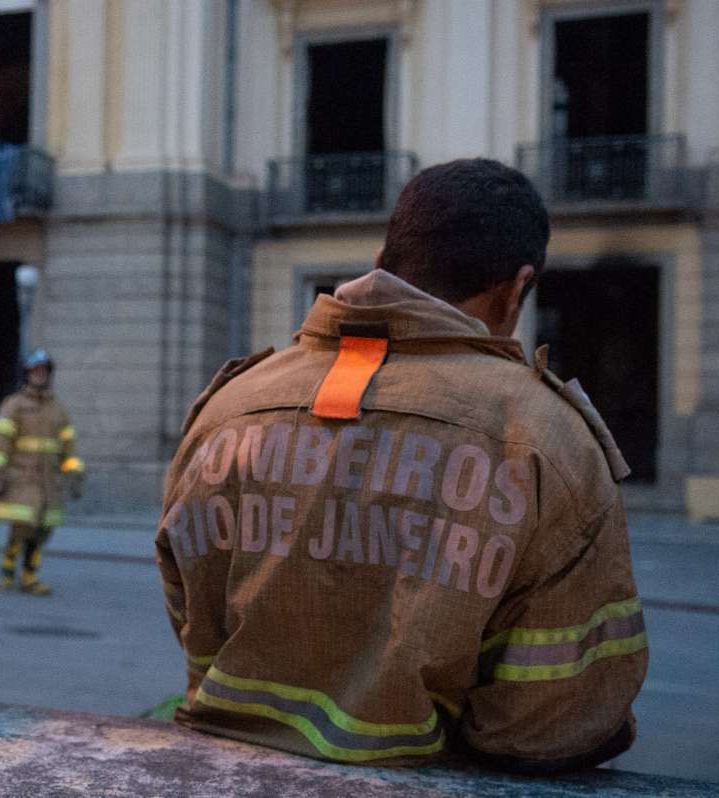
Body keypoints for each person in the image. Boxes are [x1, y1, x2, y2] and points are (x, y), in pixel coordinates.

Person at [156, 159, 646, 774]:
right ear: (516, 286)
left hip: (219, 771)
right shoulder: (546, 438)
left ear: (390, 254)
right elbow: (550, 720)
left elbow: (187, 607)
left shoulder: (230, 405)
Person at [0, 349, 84, 595]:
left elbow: (68, 447)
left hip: (49, 482)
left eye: (43, 372)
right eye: (35, 372)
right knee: (23, 526)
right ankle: (10, 564)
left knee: (43, 530)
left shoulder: (57, 409)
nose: (39, 376)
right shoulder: (14, 405)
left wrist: (74, 475)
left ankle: (30, 575)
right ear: (27, 375)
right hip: (22, 478)